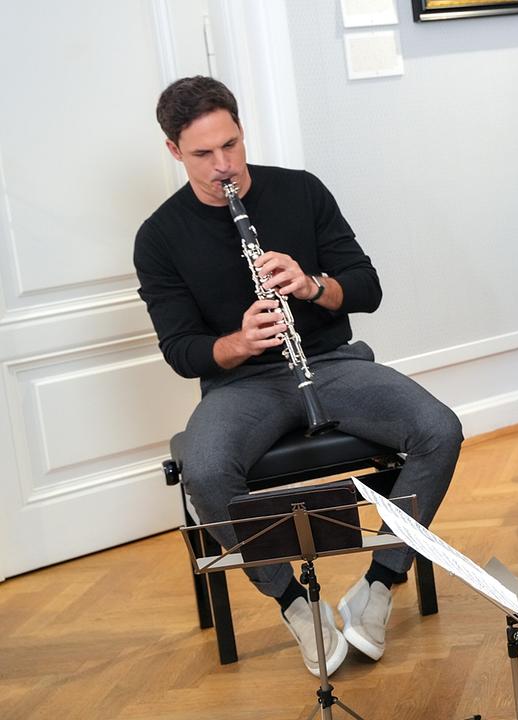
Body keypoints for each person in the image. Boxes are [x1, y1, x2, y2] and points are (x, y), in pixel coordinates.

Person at [134, 76, 463, 678]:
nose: (223, 165)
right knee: (205, 469)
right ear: (174, 151)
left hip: (331, 365)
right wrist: (238, 342)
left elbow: (366, 288)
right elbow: (181, 351)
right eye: (204, 153)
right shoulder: (159, 237)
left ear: (241, 129)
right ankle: (294, 602)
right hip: (242, 386)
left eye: (231, 144)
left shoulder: (300, 190)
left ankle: (381, 582)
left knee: (439, 429)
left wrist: (313, 285)